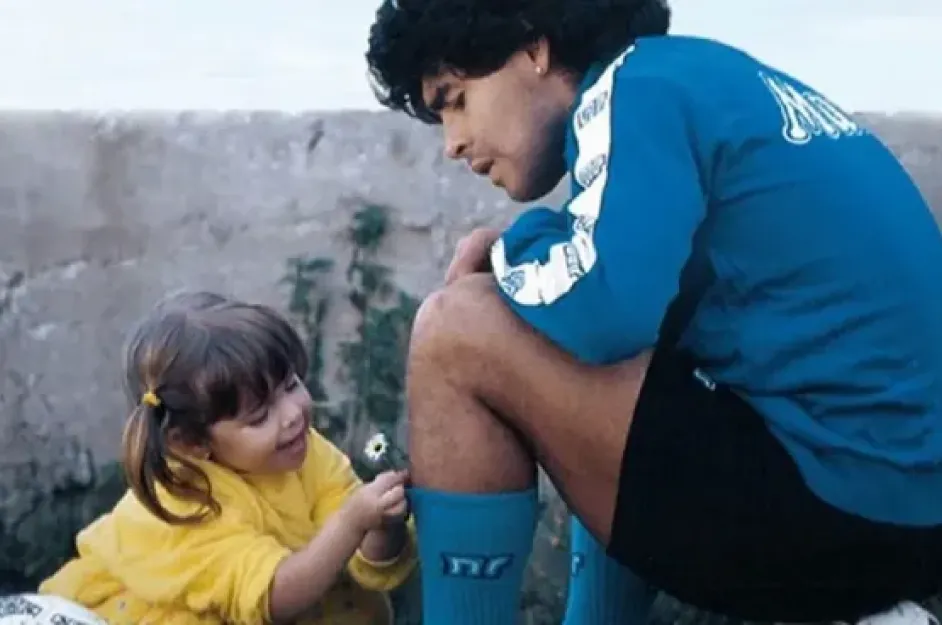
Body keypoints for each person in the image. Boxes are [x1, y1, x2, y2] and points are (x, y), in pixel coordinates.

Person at [365, 0, 942, 624]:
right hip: (906, 510)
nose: (453, 143)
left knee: (456, 330)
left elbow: (602, 311)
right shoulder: (703, 77)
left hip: (845, 510)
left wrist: (505, 253)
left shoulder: (634, 91)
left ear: (533, 48)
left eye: (454, 99)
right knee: (624, 343)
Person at [39, 291, 417, 625]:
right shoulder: (181, 505)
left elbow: (367, 563)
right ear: (190, 442)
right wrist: (352, 523)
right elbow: (273, 599)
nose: (292, 413)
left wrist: (383, 524)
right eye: (259, 416)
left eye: (291, 385)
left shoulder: (302, 452)